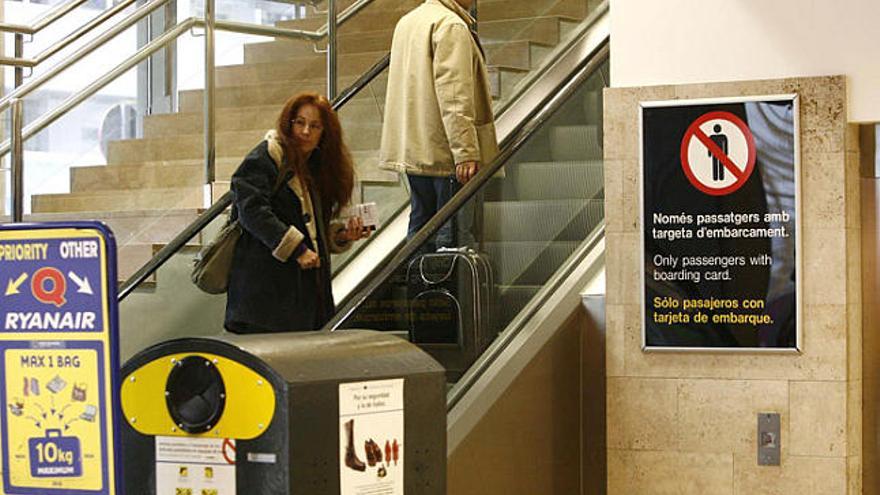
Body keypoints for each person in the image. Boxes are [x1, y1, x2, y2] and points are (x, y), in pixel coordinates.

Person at [225, 93, 369, 333]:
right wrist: (297, 248)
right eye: (299, 123)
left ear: (325, 132)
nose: (305, 132)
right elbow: (251, 209)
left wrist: (341, 235)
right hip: (265, 296)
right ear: (288, 123)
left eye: (314, 126)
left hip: (305, 297)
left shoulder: (318, 167)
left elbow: (314, 226)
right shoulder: (268, 155)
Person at [379, 0, 499, 250]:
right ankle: (448, 287)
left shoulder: (407, 22)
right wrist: (465, 151)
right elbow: (455, 94)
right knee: (452, 234)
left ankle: (419, 286)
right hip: (446, 151)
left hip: (415, 148)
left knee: (420, 224)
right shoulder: (451, 25)